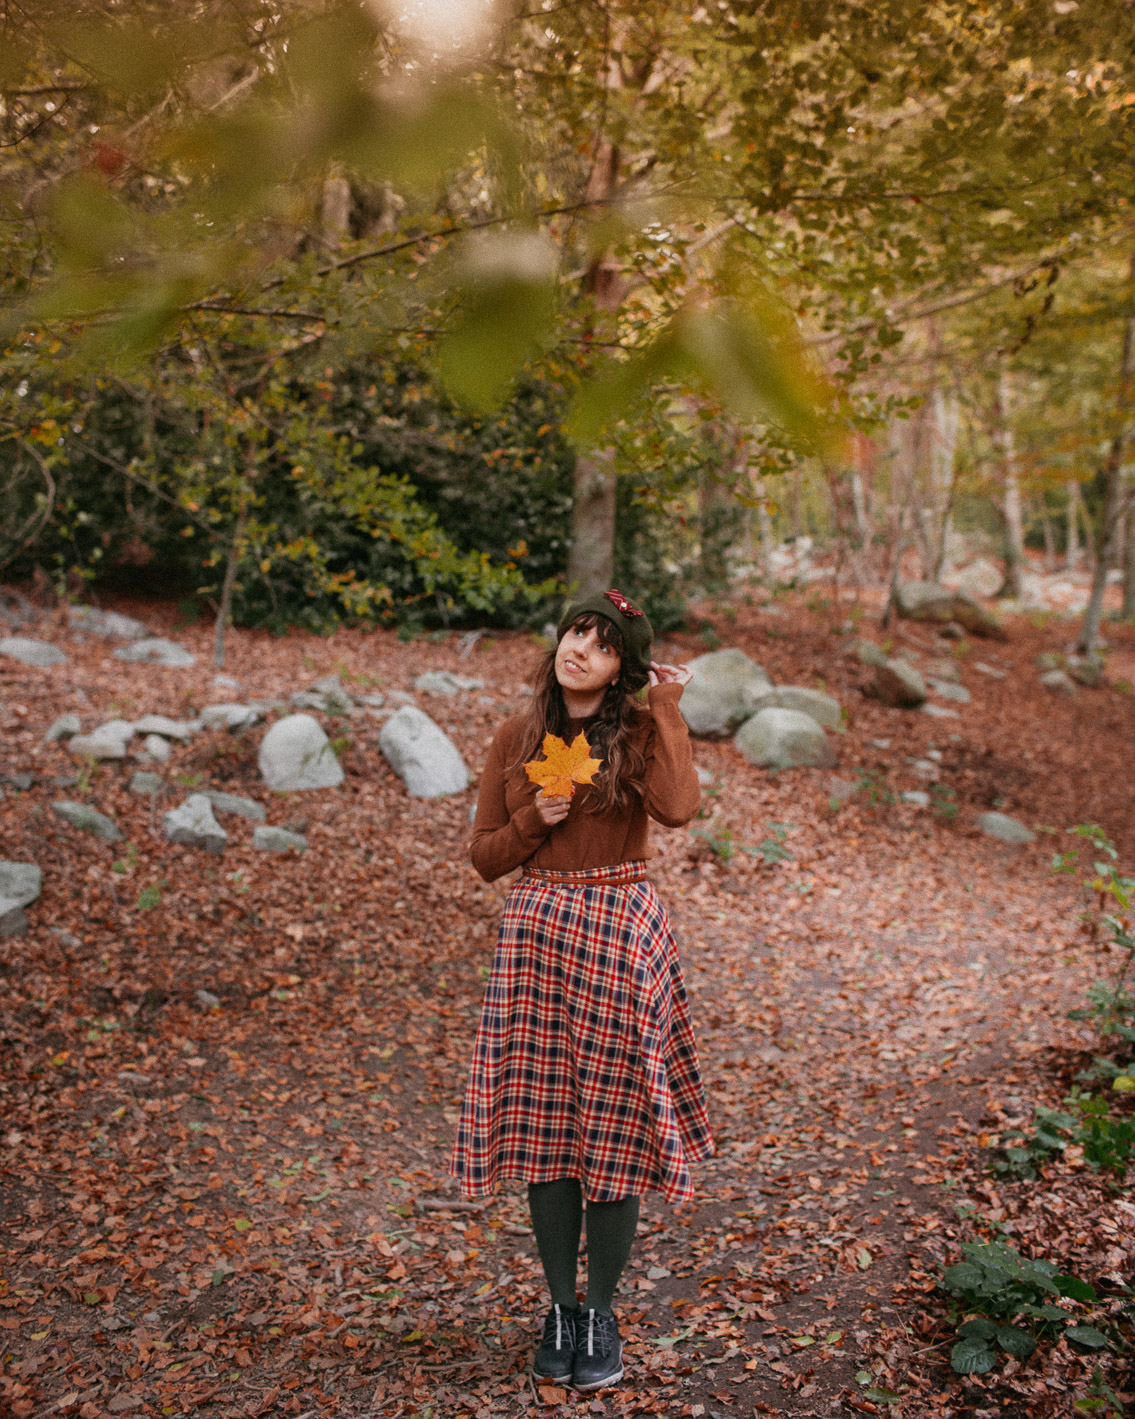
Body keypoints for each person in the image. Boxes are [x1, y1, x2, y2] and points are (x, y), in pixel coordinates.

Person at [450, 588, 714, 1392]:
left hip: (617, 930)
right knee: (543, 1127)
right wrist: (535, 815)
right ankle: (558, 1307)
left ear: (619, 667)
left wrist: (666, 705)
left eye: (601, 646)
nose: (580, 651)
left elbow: (677, 808)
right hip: (536, 934)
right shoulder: (515, 735)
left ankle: (600, 1311)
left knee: (615, 1124)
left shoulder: (637, 730)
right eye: (576, 634)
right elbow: (487, 856)